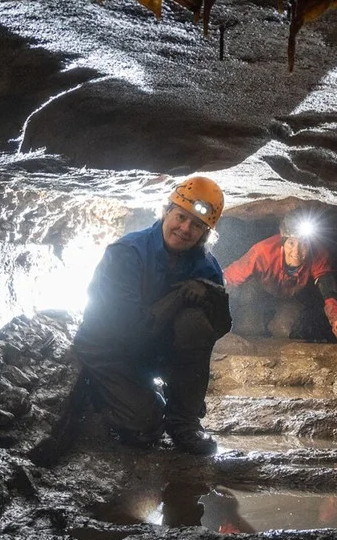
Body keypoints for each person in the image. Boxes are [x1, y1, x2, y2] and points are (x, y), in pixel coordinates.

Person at [72, 176, 232, 455]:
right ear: (166, 211)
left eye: (197, 225)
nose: (185, 229)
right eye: (181, 217)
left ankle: (184, 422)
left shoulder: (205, 265)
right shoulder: (127, 253)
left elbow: (218, 327)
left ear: (205, 233)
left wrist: (208, 295)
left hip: (152, 350)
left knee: (195, 323)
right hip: (109, 349)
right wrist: (180, 296)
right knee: (143, 428)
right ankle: (122, 398)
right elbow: (128, 330)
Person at [224, 209, 337, 349]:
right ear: (283, 242)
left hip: (290, 296)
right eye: (291, 243)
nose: (297, 252)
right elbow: (227, 279)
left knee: (283, 329)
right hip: (257, 293)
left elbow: (331, 295)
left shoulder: (318, 253)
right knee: (248, 327)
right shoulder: (262, 252)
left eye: (303, 243)